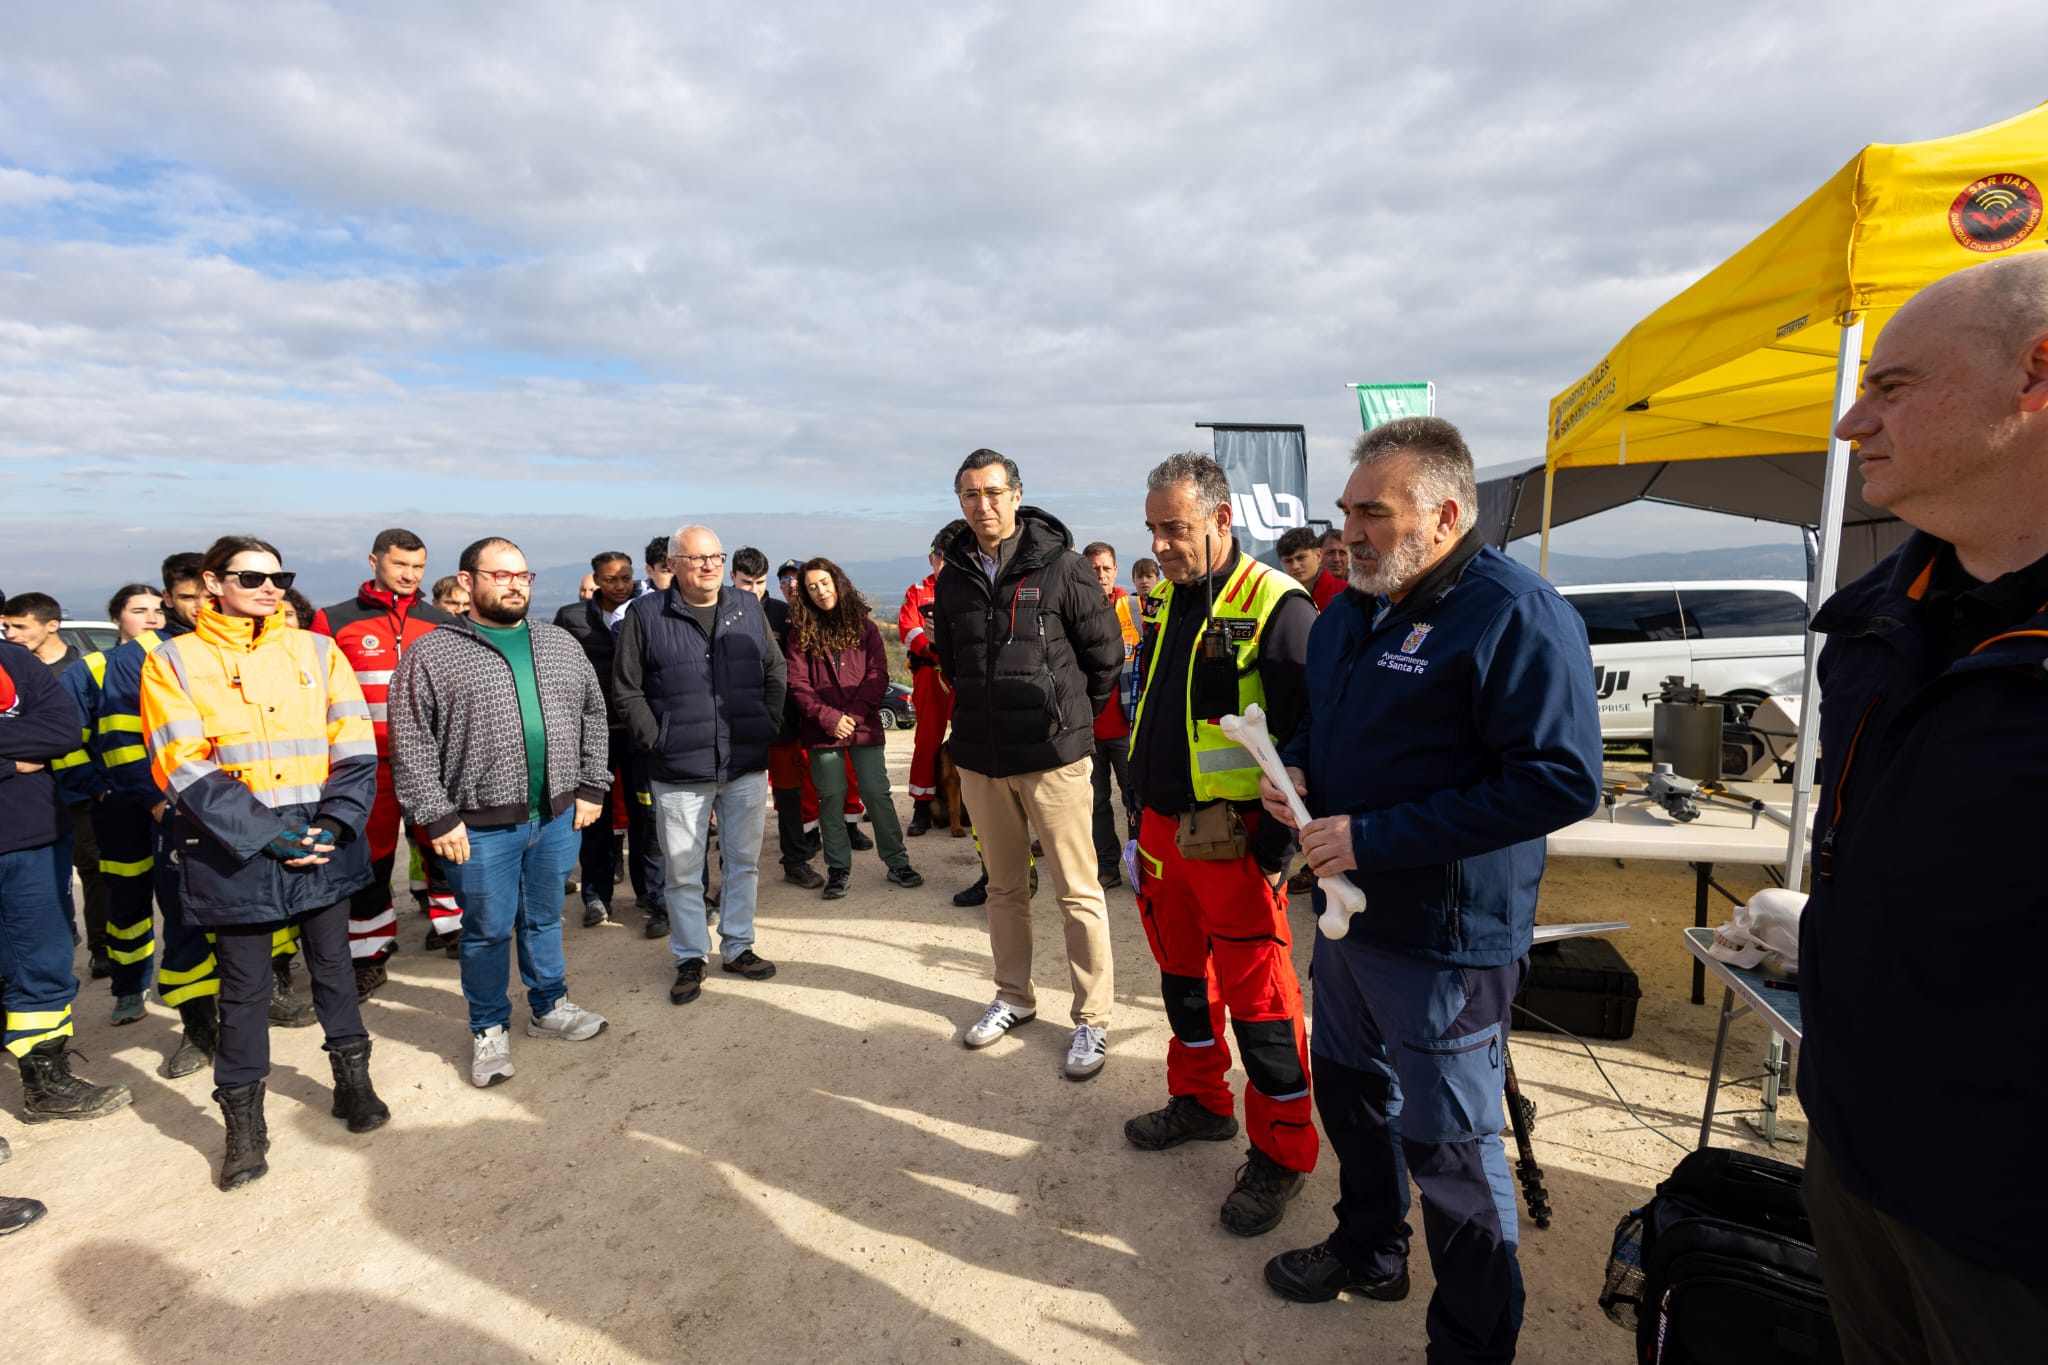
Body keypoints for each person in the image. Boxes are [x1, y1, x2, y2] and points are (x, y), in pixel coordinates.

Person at [1257, 418, 1601, 1363]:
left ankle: (1472, 1342)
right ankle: (1371, 1246)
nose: (1349, 531)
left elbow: (1560, 778)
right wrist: (1288, 773)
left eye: (1373, 512)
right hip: (1348, 925)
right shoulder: (1346, 613)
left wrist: (1373, 835)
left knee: (1450, 1150)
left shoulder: (1514, 612)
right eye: (1346, 512)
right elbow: (1322, 734)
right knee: (1354, 1099)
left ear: (1445, 514)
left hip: (1446, 941)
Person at [1795, 254, 2048, 1363]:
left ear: (2033, 375)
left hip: (2013, 1221)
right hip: (1859, 1153)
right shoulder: (1872, 623)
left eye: (1890, 387)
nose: (1852, 421)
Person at [140, 536, 392, 1191]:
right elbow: (181, 762)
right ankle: (244, 1127)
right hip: (236, 854)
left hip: (320, 844)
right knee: (246, 989)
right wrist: (269, 835)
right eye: (253, 576)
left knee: (334, 967)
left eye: (279, 576)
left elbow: (353, 743)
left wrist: (335, 822)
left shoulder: (316, 648)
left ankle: (352, 1083)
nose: (270, 587)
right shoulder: (174, 661)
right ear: (213, 581)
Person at [1123, 453, 1322, 1238]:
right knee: (1182, 982)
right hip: (1163, 834)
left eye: (1175, 528)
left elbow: (1314, 733)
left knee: (1263, 1004)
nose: (1162, 545)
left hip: (1234, 844)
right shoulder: (1171, 599)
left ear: (1221, 518)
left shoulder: (1278, 606)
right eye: (1154, 530)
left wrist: (1274, 845)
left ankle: (1282, 1152)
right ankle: (1201, 1100)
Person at [387, 537, 611, 1088]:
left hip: (557, 816)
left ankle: (549, 1005)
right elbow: (410, 740)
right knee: (486, 931)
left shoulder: (559, 643)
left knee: (543, 918)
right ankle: (488, 1028)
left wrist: (592, 785)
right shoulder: (432, 652)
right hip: (478, 826)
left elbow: (593, 715)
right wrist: (436, 816)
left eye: (523, 576)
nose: (514, 585)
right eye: (501, 575)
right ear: (468, 581)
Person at [930, 448, 1124, 1080]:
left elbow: (1105, 658)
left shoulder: (1064, 567)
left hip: (1052, 759)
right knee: (1005, 888)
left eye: (992, 492)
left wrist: (1071, 724)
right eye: (969, 495)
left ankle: (1092, 1019)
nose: (981, 506)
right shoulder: (953, 574)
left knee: (1077, 890)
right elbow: (952, 660)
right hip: (983, 760)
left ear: (1016, 495)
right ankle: (1014, 995)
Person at [612, 526, 783, 1006]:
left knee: (744, 863)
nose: (709, 566)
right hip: (678, 768)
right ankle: (691, 956)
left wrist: (767, 722)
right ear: (674, 564)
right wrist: (657, 740)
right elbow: (627, 689)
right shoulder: (647, 614)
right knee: (684, 870)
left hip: (745, 762)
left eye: (715, 557)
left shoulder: (746, 608)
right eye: (697, 558)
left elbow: (775, 669)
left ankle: (739, 946)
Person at [59, 584, 224, 1065]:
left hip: (187, 806)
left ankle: (204, 1018)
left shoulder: (198, 654)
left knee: (189, 909)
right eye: (139, 611)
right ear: (117, 619)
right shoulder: (97, 667)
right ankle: (129, 987)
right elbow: (83, 739)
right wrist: (104, 789)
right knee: (128, 899)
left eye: (156, 610)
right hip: (124, 808)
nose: (151, 618)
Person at [312, 528, 458, 990]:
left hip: (430, 765)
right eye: (400, 565)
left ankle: (455, 930)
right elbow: (315, 697)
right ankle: (368, 952)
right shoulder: (333, 621)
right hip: (364, 766)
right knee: (369, 860)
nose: (410, 575)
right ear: (374, 561)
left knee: (444, 847)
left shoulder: (444, 621)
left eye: (418, 567)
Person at [1, 636, 133, 1136]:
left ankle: (46, 1083)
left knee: (45, 963)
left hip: (32, 838)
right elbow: (38, 739)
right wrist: (13, 762)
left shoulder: (11, 658)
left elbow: (60, 730)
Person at [786, 556, 923, 900]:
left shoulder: (865, 626)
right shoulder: (800, 632)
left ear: (838, 582)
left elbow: (878, 675)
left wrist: (855, 714)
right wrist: (830, 718)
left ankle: (897, 861)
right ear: (804, 593)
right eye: (812, 587)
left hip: (863, 726)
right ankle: (838, 869)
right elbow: (797, 684)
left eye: (825, 583)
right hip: (823, 730)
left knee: (877, 793)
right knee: (830, 798)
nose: (820, 591)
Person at [555, 550, 667, 933]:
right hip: (591, 740)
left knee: (647, 819)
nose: (620, 586)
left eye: (626, 577)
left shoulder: (650, 610)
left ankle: (651, 893)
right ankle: (596, 897)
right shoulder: (571, 619)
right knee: (593, 821)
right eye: (611, 579)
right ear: (595, 581)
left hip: (639, 736)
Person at [762, 558, 827, 890]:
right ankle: (730, 870)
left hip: (786, 720)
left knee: (790, 794)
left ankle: (796, 860)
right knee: (737, 800)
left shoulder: (784, 614)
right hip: (740, 725)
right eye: (745, 582)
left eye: (758, 581)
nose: (752, 589)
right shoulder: (724, 611)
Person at [1080, 541, 1140, 888]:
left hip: (1128, 727)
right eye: (1092, 569)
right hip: (1088, 728)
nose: (1099, 574)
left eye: (1105, 568)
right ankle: (1107, 866)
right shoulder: (1074, 609)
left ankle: (1140, 864)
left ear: (1115, 570)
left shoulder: (1133, 608)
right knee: (1096, 803)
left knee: (1137, 800)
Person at [897, 531, 959, 837]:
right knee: (927, 741)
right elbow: (908, 628)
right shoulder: (919, 590)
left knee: (969, 738)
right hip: (930, 673)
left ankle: (970, 806)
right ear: (931, 558)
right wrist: (931, 648)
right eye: (939, 557)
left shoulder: (965, 586)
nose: (943, 563)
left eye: (950, 557)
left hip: (960, 675)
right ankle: (922, 809)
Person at [1277, 526, 1346, 610]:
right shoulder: (1276, 596)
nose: (1295, 566)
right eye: (1288, 561)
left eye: (1301, 558)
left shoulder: (1347, 594)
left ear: (1318, 555)